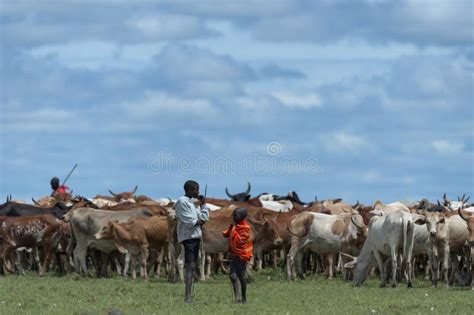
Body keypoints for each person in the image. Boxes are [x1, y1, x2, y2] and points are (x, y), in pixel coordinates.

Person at [174, 180, 209, 304]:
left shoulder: (192, 204)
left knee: (193, 265)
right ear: (189, 190)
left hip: (195, 237)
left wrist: (203, 205)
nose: (198, 192)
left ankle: (189, 296)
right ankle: (187, 298)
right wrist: (200, 221)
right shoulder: (182, 202)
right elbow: (191, 222)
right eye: (196, 189)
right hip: (188, 237)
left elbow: (204, 218)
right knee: (190, 266)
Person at [222, 207, 253, 304]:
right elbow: (226, 235)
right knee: (233, 276)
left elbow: (239, 241)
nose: (233, 217)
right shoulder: (235, 226)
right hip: (234, 255)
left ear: (242, 217)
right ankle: (237, 298)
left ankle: (244, 298)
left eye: (236, 215)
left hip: (241, 256)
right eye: (233, 214)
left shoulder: (245, 229)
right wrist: (231, 228)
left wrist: (233, 230)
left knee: (242, 277)